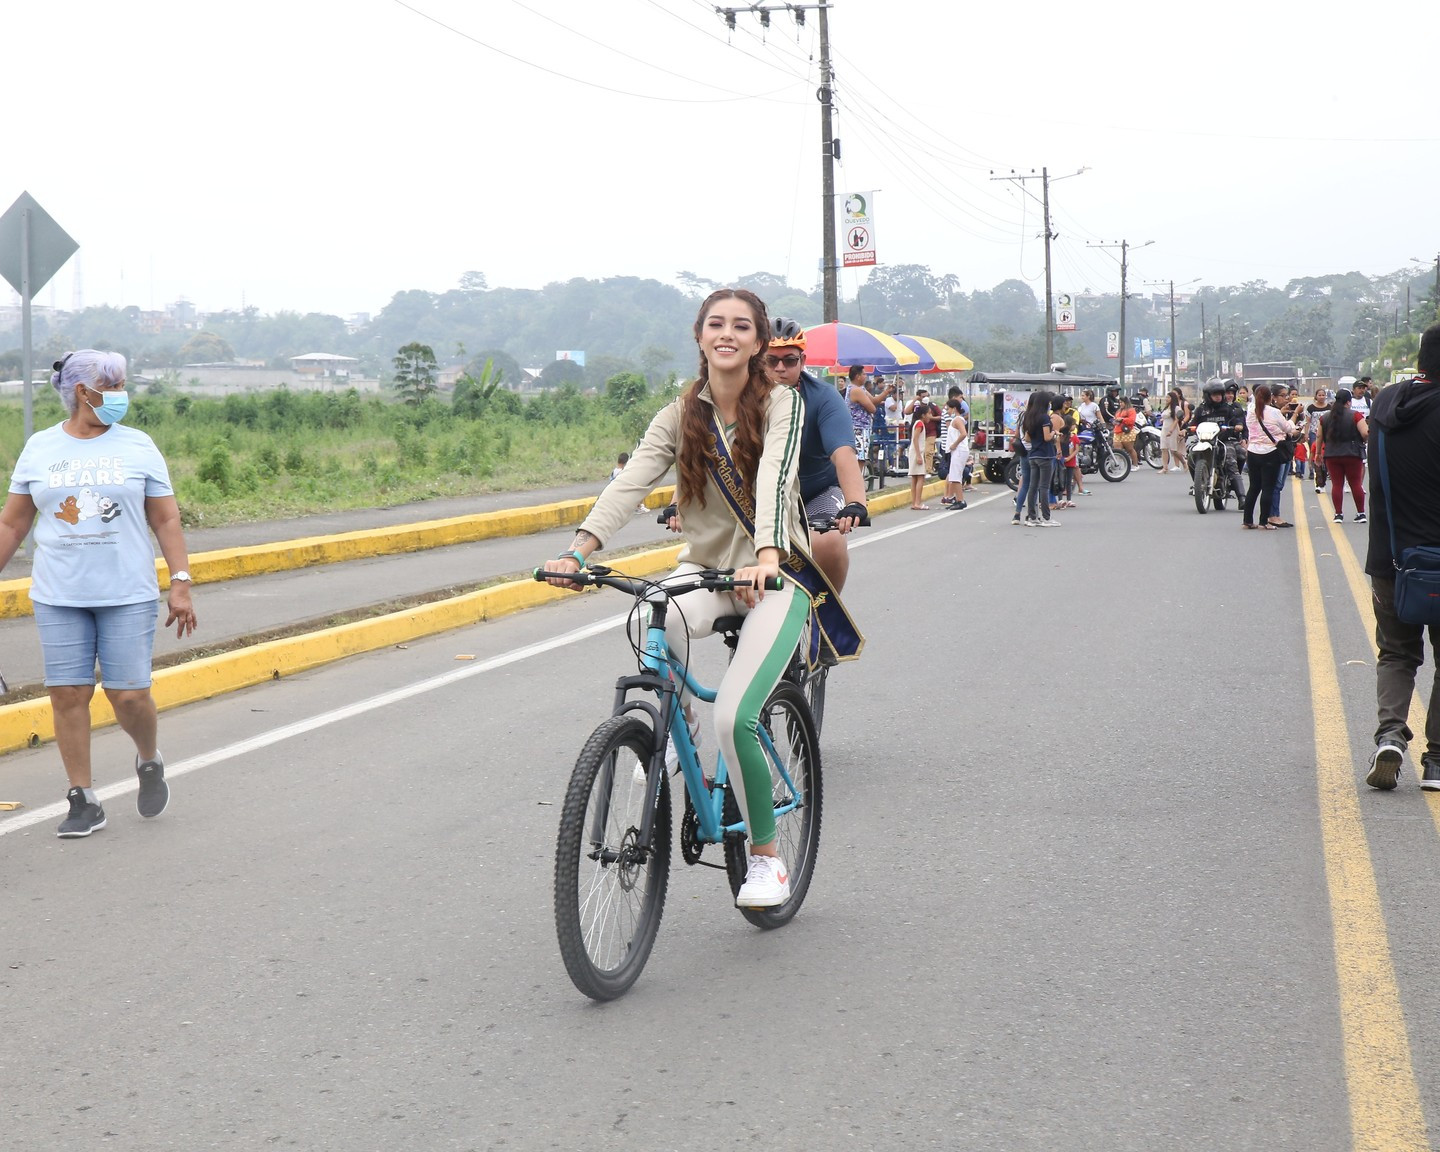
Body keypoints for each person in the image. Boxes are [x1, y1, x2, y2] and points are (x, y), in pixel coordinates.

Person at [541, 289, 835, 908]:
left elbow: (774, 472)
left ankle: (765, 858)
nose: (726, 334)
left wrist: (765, 558)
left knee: (737, 718)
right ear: (700, 336)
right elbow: (633, 479)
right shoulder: (680, 413)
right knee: (656, 612)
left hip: (775, 577)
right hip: (705, 571)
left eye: (740, 326)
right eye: (715, 324)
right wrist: (580, 550)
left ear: (757, 343)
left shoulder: (783, 404)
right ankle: (679, 727)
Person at [0, 350, 197, 838]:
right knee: (68, 693)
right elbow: (14, 521)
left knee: (129, 696)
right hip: (59, 592)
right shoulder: (40, 448)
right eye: (112, 385)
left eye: (122, 383)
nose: (121, 394)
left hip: (126, 591)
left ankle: (148, 759)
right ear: (82, 392)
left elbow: (165, 517)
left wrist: (181, 581)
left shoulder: (138, 446)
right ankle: (83, 798)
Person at [1363, 322, 1440, 790]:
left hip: (1390, 560)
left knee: (1396, 653)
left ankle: (1390, 735)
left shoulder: (1385, 404)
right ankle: (1437, 762)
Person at [764, 317, 867, 590]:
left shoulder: (824, 397)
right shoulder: (740, 397)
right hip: (759, 495)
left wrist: (856, 501)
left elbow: (843, 453)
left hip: (814, 493)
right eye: (770, 360)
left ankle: (825, 618)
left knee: (830, 541)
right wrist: (679, 503)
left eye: (789, 360)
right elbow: (705, 451)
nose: (779, 368)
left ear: (803, 360)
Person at [1241, 383, 1297, 530]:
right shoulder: (1274, 412)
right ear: (1270, 398)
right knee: (1268, 488)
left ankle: (1247, 521)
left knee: (1253, 487)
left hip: (1252, 452)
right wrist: (1295, 415)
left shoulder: (1250, 410)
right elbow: (1288, 428)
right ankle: (1263, 522)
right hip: (1270, 453)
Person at [1188, 380, 1247, 505]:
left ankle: (1242, 497)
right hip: (1204, 441)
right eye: (1215, 394)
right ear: (1208, 395)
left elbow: (1237, 421)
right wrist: (1185, 430)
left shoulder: (1227, 409)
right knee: (1190, 455)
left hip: (1224, 441)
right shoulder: (1201, 410)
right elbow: (1193, 424)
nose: (1218, 396)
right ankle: (1198, 483)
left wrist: (1238, 425)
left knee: (1233, 460)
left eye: (1220, 394)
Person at [1322, 387, 1368, 523]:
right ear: (1349, 402)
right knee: (1355, 484)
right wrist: (1363, 441)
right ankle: (1361, 513)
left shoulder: (1325, 417)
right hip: (1352, 453)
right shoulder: (1355, 415)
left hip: (1331, 454)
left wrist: (1318, 453)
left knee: (1337, 484)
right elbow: (1365, 433)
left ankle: (1338, 514)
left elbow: (1319, 436)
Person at [1019, 391, 1060, 527]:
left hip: (1033, 454)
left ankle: (1032, 517)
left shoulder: (1029, 417)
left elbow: (1027, 438)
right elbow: (1047, 437)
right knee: (1044, 487)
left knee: (1033, 486)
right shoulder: (1044, 418)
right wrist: (1055, 433)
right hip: (1045, 454)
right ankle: (1046, 518)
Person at [940, 398, 968, 509]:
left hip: (959, 450)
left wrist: (955, 444)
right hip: (957, 450)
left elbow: (963, 434)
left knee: (956, 476)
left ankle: (960, 500)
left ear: (954, 408)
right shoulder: (956, 420)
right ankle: (958, 499)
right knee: (954, 476)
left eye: (949, 409)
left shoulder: (957, 420)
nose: (947, 411)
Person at [1306, 387, 1331, 493]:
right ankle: (1317, 477)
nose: (1321, 397)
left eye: (1323, 395)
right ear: (1316, 396)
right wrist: (1306, 433)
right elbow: (1308, 421)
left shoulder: (1329, 407)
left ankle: (1325, 475)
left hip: (1327, 434)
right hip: (1314, 434)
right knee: (1316, 454)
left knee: (1325, 456)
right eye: (1319, 395)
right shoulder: (1310, 408)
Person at [907, 401, 932, 510]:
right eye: (929, 413)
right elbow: (915, 439)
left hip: (915, 452)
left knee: (915, 478)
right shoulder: (920, 424)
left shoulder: (917, 423)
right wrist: (918, 455)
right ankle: (917, 502)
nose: (930, 416)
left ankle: (915, 502)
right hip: (917, 452)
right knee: (920, 477)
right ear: (923, 415)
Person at [1160, 388, 1189, 473]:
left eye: (1168, 398)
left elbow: (1177, 420)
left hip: (1172, 429)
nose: (1167, 399)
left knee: (1173, 450)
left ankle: (1184, 462)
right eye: (1166, 397)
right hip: (1164, 428)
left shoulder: (1176, 408)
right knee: (1163, 448)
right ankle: (1165, 468)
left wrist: (1171, 430)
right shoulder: (1166, 408)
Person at [1112, 395, 1140, 467]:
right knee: (1117, 450)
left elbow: (1132, 420)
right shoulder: (1119, 411)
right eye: (1120, 402)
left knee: (1130, 449)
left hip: (1127, 431)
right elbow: (1115, 418)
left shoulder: (1131, 410)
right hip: (1117, 431)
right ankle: (1119, 465)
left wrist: (1122, 419)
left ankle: (1135, 464)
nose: (1120, 404)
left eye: (1122, 402)